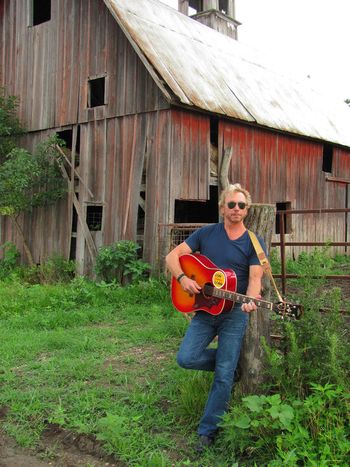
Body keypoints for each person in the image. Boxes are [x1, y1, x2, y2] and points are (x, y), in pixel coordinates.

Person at [165, 183, 267, 454]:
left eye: (241, 206)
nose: (236, 209)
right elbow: (172, 256)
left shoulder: (254, 242)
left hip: (233, 315)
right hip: (205, 311)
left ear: (247, 210)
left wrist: (250, 301)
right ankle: (230, 365)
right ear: (222, 207)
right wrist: (183, 278)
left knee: (222, 377)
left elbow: (255, 280)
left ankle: (207, 432)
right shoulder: (206, 234)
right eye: (231, 204)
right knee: (185, 358)